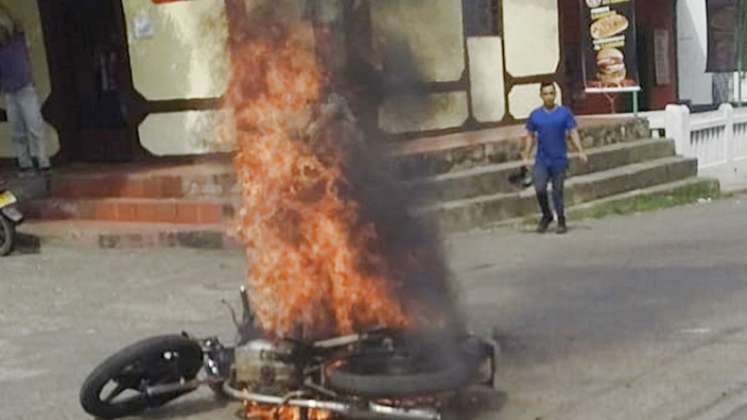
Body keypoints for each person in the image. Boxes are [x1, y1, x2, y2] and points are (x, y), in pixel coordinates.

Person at [522, 82, 588, 234]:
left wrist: (580, 151)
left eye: (551, 93)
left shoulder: (564, 113)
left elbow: (572, 132)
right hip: (542, 160)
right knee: (539, 189)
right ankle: (546, 215)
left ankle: (561, 219)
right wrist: (525, 156)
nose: (548, 97)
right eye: (545, 94)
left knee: (558, 191)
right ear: (541, 96)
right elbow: (530, 136)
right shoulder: (535, 115)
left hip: (559, 159)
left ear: (555, 95)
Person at [0, 4, 50, 176]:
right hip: (10, 92)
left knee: (34, 126)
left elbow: (15, 20)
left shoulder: (19, 38)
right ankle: (25, 164)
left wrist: (3, 7)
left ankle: (43, 162)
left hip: (26, 88)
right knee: (17, 131)